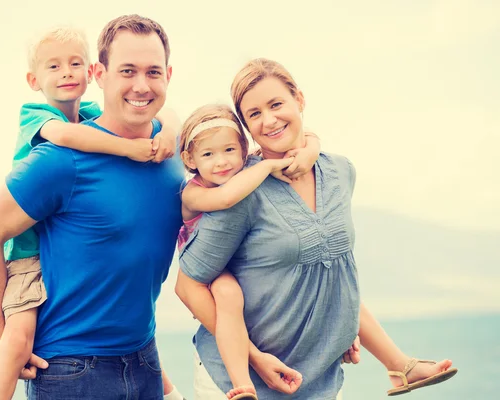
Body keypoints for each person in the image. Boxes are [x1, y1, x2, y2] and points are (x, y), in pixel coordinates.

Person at [175, 58, 457, 399]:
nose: (269, 119)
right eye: (254, 114)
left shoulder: (340, 171)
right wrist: (256, 358)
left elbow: (334, 271)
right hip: (238, 384)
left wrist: (342, 325)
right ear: (246, 127)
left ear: (300, 100)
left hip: (317, 378)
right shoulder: (240, 190)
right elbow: (189, 286)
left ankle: (402, 366)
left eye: (276, 104)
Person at [0, 15, 185, 399]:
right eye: (127, 71)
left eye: (153, 72)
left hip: (145, 362)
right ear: (100, 74)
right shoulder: (60, 159)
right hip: (71, 373)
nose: (141, 85)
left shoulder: (173, 149)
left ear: (168, 74)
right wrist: (8, 342)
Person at [177, 103, 320, 399]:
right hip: (211, 269)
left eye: (229, 150)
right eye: (208, 154)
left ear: (244, 148)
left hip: (243, 263)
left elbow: (310, 135)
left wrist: (310, 151)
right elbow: (228, 197)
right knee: (229, 295)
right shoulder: (193, 192)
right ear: (189, 159)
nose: (221, 162)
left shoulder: (246, 169)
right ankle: (243, 385)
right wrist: (268, 166)